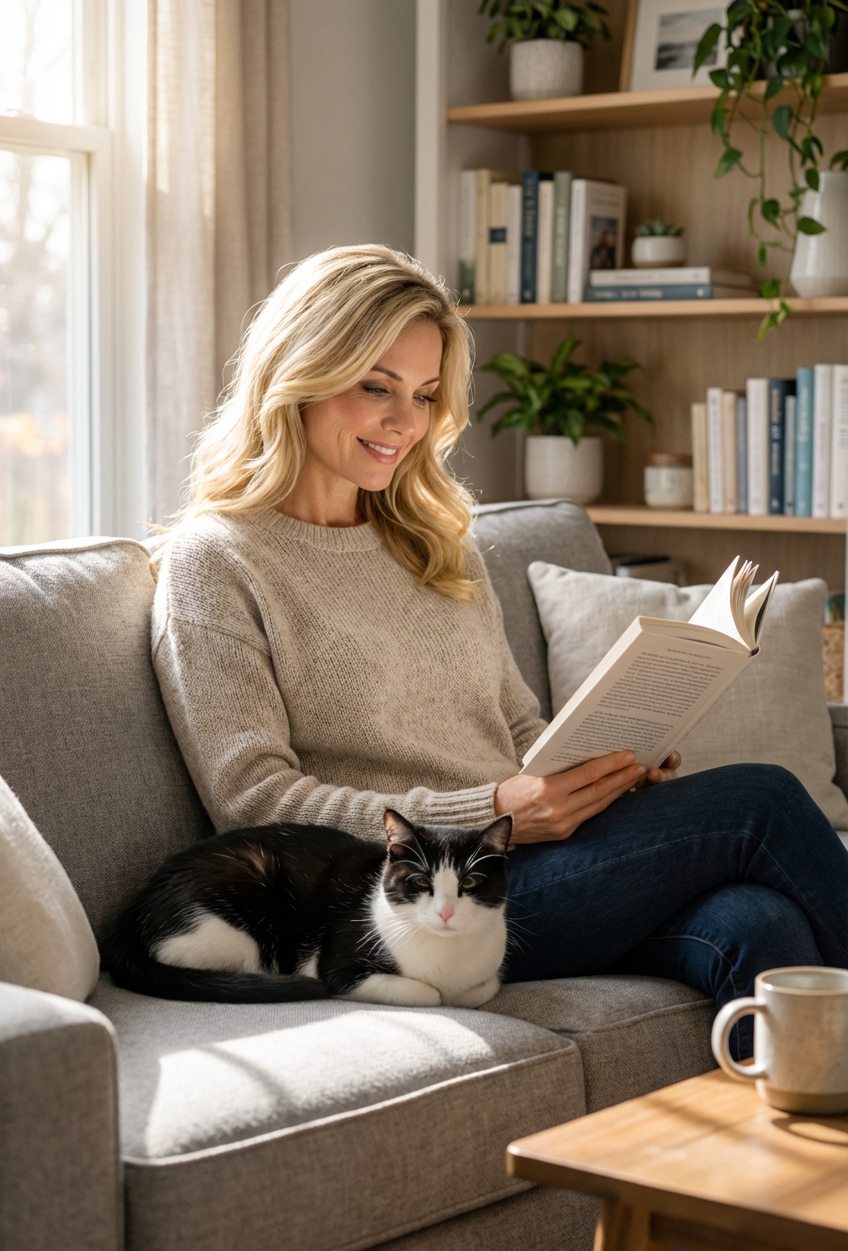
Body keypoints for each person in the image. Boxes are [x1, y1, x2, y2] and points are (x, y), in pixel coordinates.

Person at [152, 245, 847, 1056]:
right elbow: (250, 797)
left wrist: (609, 767)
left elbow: (517, 723)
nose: (404, 423)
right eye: (375, 386)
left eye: (424, 395)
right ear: (298, 373)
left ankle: (784, 1173)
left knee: (758, 924)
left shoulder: (436, 543)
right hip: (418, 902)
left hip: (532, 854)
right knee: (759, 800)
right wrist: (488, 811)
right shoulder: (218, 561)